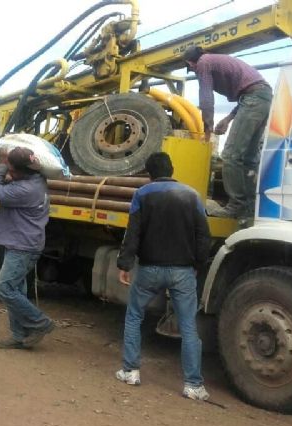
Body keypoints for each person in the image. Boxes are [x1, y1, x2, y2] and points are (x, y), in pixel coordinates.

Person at [115, 152, 212, 401]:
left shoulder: (142, 194)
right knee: (189, 326)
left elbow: (132, 233)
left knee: (134, 316)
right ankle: (193, 385)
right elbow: (203, 236)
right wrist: (197, 264)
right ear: (172, 169)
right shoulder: (192, 196)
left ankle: (131, 371)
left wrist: (125, 264)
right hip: (182, 271)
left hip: (149, 269)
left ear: (149, 172)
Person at [183, 45, 273, 218]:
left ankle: (237, 205)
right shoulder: (216, 60)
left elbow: (206, 97)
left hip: (254, 98)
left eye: (190, 69)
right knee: (248, 157)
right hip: (262, 98)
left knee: (231, 155)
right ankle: (249, 206)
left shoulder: (203, 62)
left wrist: (207, 127)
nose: (194, 72)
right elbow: (249, 94)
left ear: (190, 63)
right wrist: (228, 119)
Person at [0, 147, 55, 349]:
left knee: (4, 288)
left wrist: (1, 166)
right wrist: (9, 168)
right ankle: (19, 335)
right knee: (16, 290)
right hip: (23, 241)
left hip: (23, 245)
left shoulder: (25, 190)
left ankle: (40, 322)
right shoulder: (35, 180)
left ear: (17, 171)